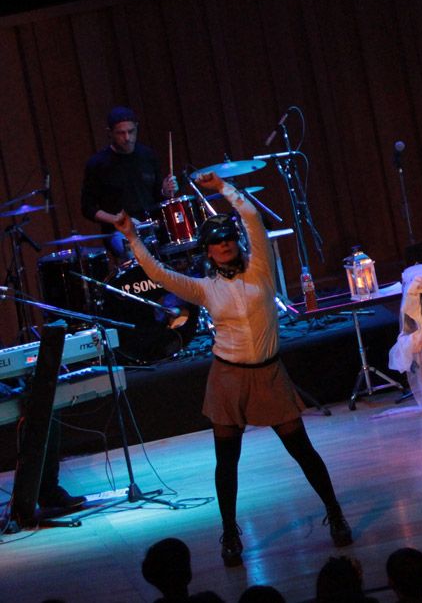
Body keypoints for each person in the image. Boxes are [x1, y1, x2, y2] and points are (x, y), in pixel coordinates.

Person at [113, 172, 351, 567]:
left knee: (302, 451)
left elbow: (253, 218)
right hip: (228, 377)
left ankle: (336, 513)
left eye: (227, 238)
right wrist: (133, 238)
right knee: (227, 460)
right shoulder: (205, 288)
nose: (223, 244)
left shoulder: (260, 270)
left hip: (269, 374)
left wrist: (223, 188)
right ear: (207, 251)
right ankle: (229, 532)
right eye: (215, 241)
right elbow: (157, 274)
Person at [81, 106, 177, 259]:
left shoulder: (147, 155)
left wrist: (165, 191)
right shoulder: (98, 164)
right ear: (109, 133)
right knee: (138, 257)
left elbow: (158, 195)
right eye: (121, 133)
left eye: (131, 132)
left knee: (178, 248)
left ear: (136, 128)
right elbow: (88, 208)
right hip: (119, 231)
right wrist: (118, 220)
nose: (127, 138)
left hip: (151, 225)